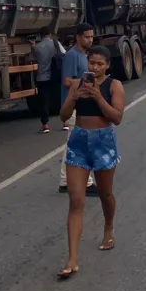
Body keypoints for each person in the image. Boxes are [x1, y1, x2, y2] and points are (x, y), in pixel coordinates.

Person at [58, 44, 125, 278]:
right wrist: (74, 97)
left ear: (107, 65)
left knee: (106, 193)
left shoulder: (114, 85)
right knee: (76, 200)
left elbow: (117, 117)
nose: (94, 68)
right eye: (91, 63)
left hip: (103, 141)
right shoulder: (77, 84)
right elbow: (64, 116)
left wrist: (98, 97)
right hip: (78, 142)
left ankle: (108, 227)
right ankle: (72, 259)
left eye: (99, 64)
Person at [59, 24, 97, 194]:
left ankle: (65, 180)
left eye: (92, 36)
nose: (90, 39)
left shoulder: (85, 56)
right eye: (87, 37)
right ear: (78, 37)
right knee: (81, 144)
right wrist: (85, 83)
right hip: (73, 105)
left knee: (72, 144)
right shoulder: (72, 55)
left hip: (82, 104)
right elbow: (67, 81)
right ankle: (86, 183)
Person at [32, 26, 63, 133]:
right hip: (55, 76)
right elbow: (64, 54)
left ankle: (45, 125)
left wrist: (33, 45)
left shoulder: (37, 47)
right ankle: (65, 123)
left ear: (40, 36)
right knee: (60, 98)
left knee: (44, 101)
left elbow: (35, 57)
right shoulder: (56, 43)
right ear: (49, 34)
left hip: (42, 78)